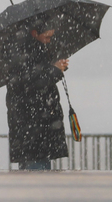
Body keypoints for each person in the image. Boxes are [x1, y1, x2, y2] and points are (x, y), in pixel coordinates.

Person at [5, 24, 69, 170]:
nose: (49, 40)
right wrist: (54, 70)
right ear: (34, 33)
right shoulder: (26, 54)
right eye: (47, 37)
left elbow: (34, 80)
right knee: (38, 176)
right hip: (34, 131)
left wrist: (56, 67)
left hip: (34, 132)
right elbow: (31, 85)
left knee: (34, 176)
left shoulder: (29, 52)